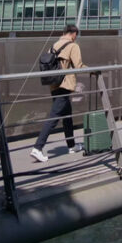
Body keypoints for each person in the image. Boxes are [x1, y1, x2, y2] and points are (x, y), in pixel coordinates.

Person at [31, 25, 84, 162]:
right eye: (76, 35)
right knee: (54, 117)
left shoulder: (54, 46)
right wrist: (95, 70)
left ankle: (71, 146)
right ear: (73, 34)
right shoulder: (73, 46)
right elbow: (78, 66)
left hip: (54, 85)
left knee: (67, 116)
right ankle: (37, 148)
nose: (76, 37)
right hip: (65, 85)